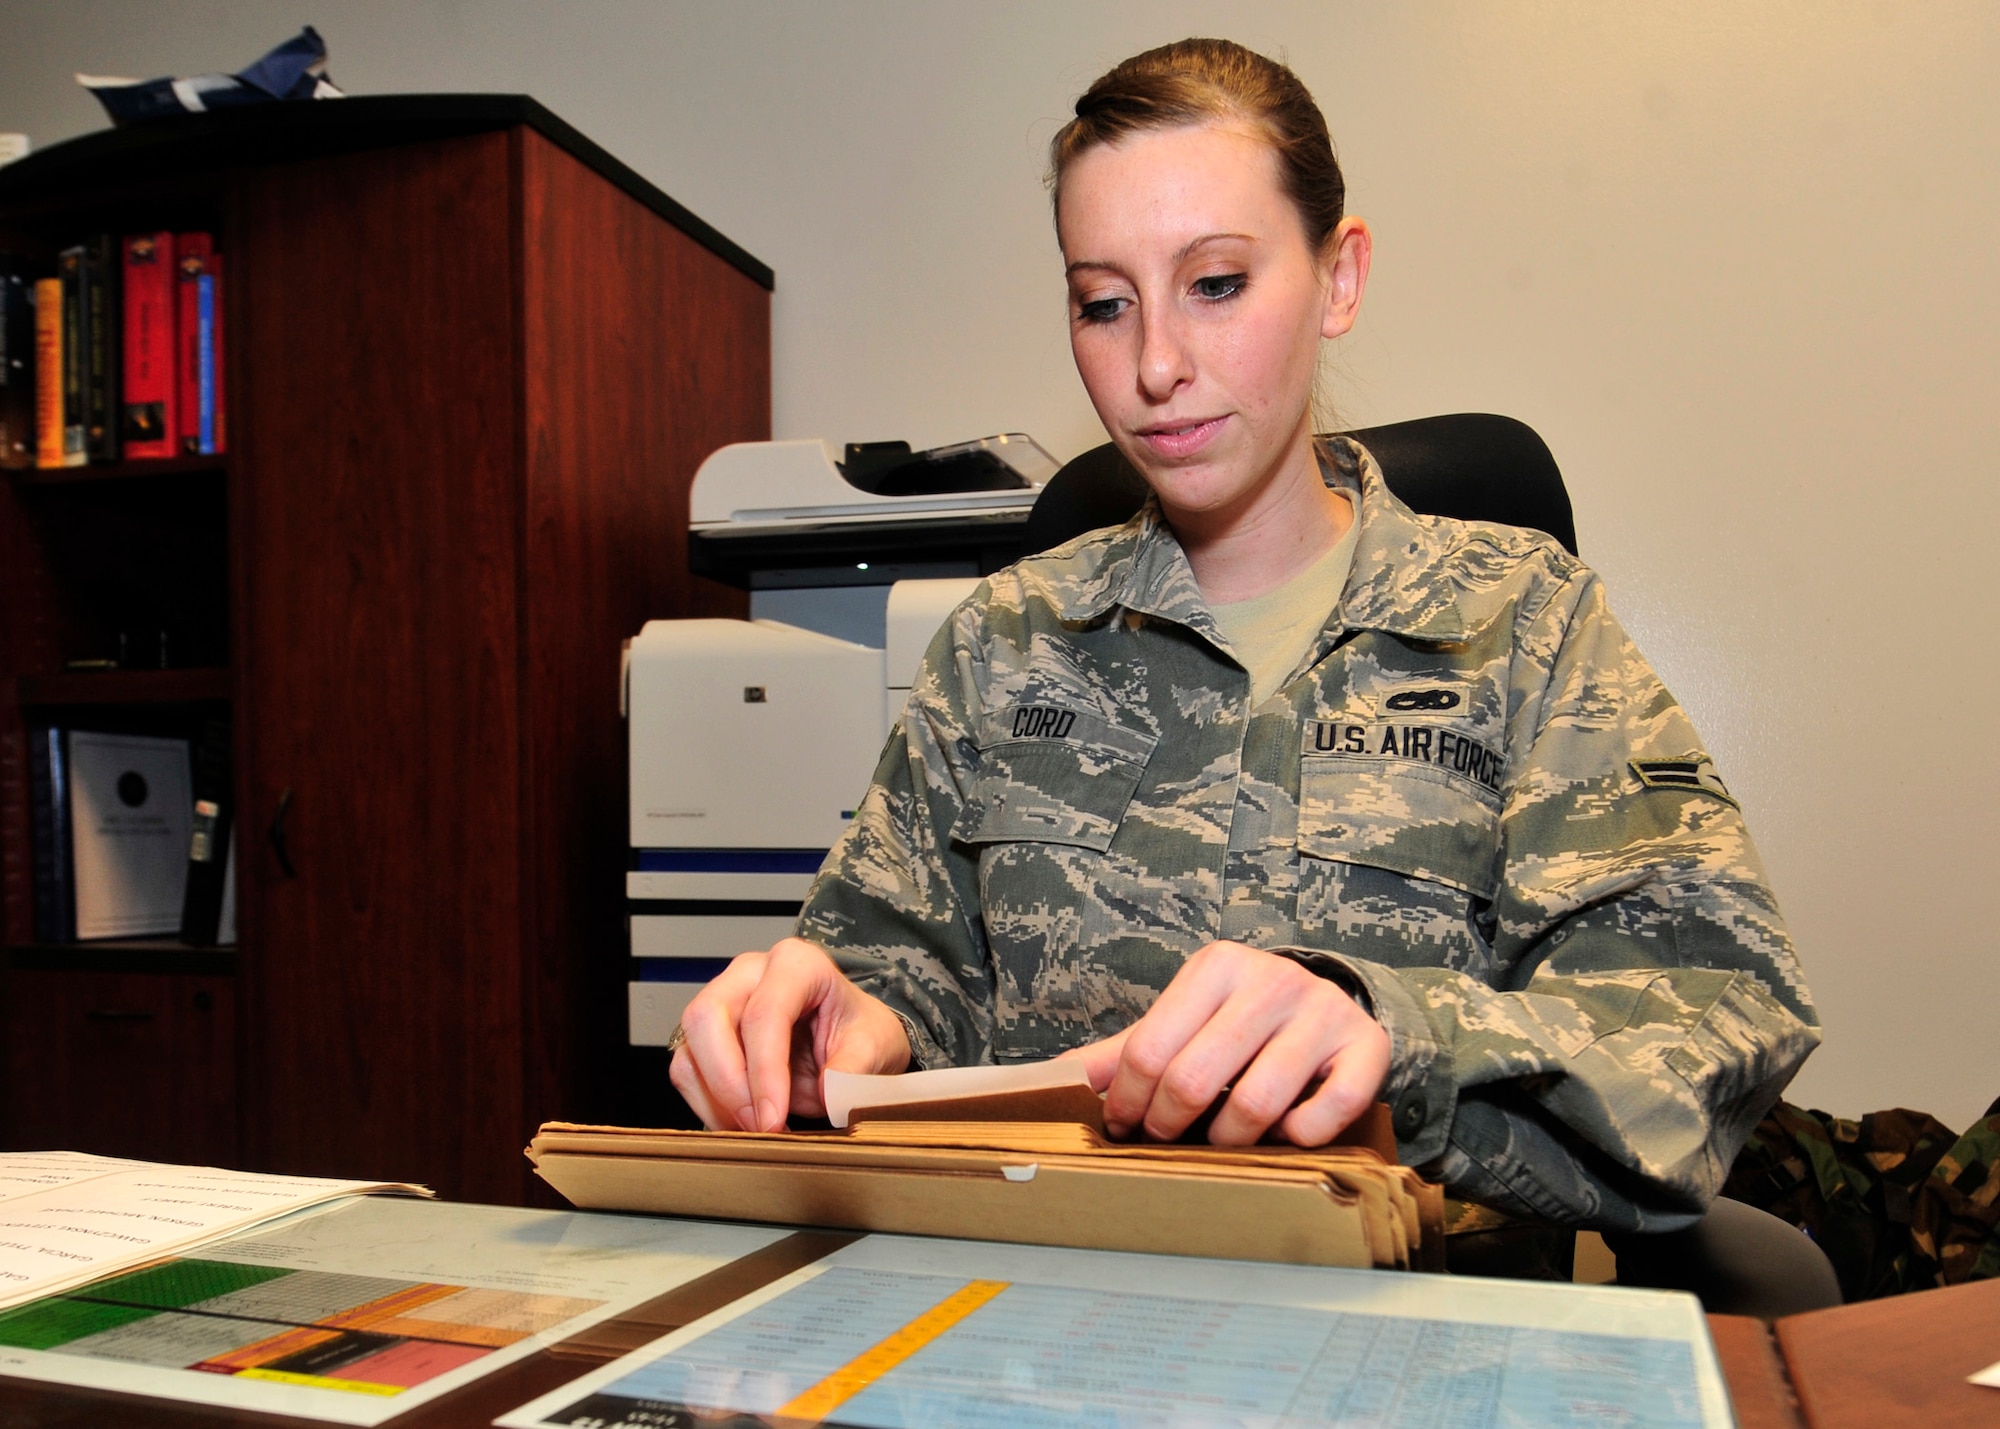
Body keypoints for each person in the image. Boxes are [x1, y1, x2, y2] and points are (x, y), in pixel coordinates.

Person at [671, 37, 1820, 1232]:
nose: (1154, 365)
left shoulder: (1520, 626)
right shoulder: (1006, 639)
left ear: (1337, 277)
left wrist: (1388, 1041)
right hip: (1033, 1334)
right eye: (1102, 304)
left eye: (1214, 283)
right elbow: (900, 971)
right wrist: (842, 1029)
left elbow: (1713, 1016)